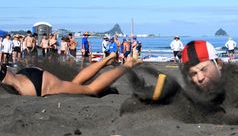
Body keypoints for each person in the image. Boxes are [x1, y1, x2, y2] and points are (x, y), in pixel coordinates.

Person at [0, 52, 141, 97]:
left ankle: (127, 65)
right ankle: (107, 59)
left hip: (36, 86)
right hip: (24, 75)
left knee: (91, 89)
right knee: (74, 84)